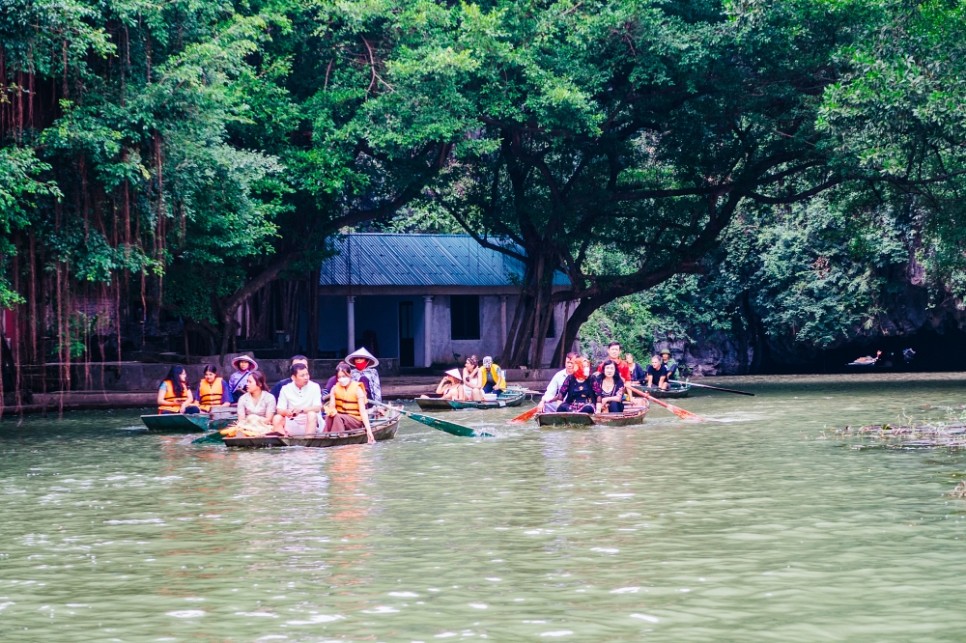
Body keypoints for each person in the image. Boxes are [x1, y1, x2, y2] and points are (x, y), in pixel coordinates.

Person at [324, 362, 375, 443]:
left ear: (349, 374)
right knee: (329, 416)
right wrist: (332, 395)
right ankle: (325, 438)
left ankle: (338, 440)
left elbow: (363, 411)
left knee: (337, 417)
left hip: (355, 421)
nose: (341, 379)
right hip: (341, 419)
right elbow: (332, 409)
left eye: (344, 376)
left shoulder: (357, 389)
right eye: (339, 377)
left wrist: (369, 431)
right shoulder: (335, 388)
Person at [273, 362, 323, 436]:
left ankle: (308, 442)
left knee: (312, 414)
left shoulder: (315, 386)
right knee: (277, 418)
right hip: (292, 420)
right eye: (302, 375)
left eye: (307, 374)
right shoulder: (285, 388)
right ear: (293, 377)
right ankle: (285, 443)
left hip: (310, 421)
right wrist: (287, 412)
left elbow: (317, 407)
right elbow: (279, 409)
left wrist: (301, 410)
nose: (306, 377)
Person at [233, 370, 276, 437]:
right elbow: (241, 420)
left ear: (259, 384)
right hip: (247, 426)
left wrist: (255, 420)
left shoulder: (270, 397)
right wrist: (251, 421)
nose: (247, 384)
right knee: (240, 431)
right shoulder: (242, 398)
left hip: (264, 427)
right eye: (247, 381)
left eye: (250, 382)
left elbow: (268, 419)